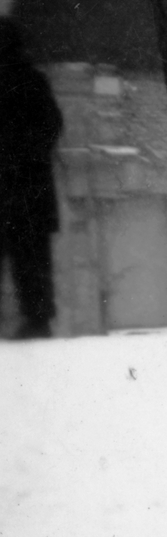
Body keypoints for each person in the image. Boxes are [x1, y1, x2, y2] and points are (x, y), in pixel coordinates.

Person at [0, 17, 64, 340]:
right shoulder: (33, 81)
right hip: (29, 189)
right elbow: (51, 126)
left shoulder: (30, 82)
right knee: (32, 258)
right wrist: (26, 154)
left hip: (11, 188)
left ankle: (36, 319)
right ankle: (37, 320)